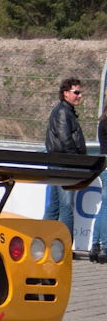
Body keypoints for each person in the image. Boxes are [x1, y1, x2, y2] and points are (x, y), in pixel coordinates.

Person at [43, 77, 86, 240]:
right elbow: (65, 139)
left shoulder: (66, 111)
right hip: (63, 164)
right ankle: (65, 245)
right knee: (65, 206)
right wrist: (76, 161)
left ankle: (43, 240)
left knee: (54, 206)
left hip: (59, 162)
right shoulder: (62, 111)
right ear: (65, 93)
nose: (80, 96)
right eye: (76, 92)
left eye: (80, 92)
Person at [90, 105, 107, 262]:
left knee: (104, 207)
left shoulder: (103, 121)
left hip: (104, 165)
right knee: (106, 207)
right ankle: (104, 247)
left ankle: (95, 245)